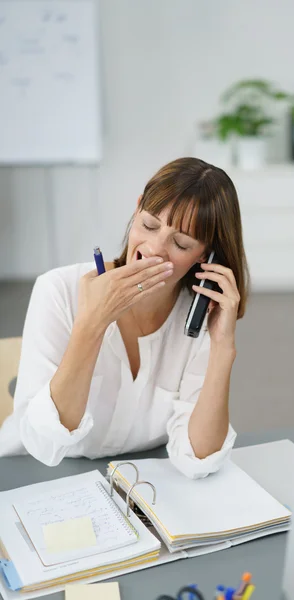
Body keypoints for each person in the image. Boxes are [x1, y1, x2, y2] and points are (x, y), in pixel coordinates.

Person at [0, 158, 249, 479]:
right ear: (136, 212)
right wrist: (92, 323)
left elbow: (198, 457)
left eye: (181, 243)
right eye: (148, 225)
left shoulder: (198, 318)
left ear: (204, 255)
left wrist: (223, 348)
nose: (155, 248)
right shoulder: (58, 290)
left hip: (135, 484)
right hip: (36, 476)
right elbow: (43, 443)